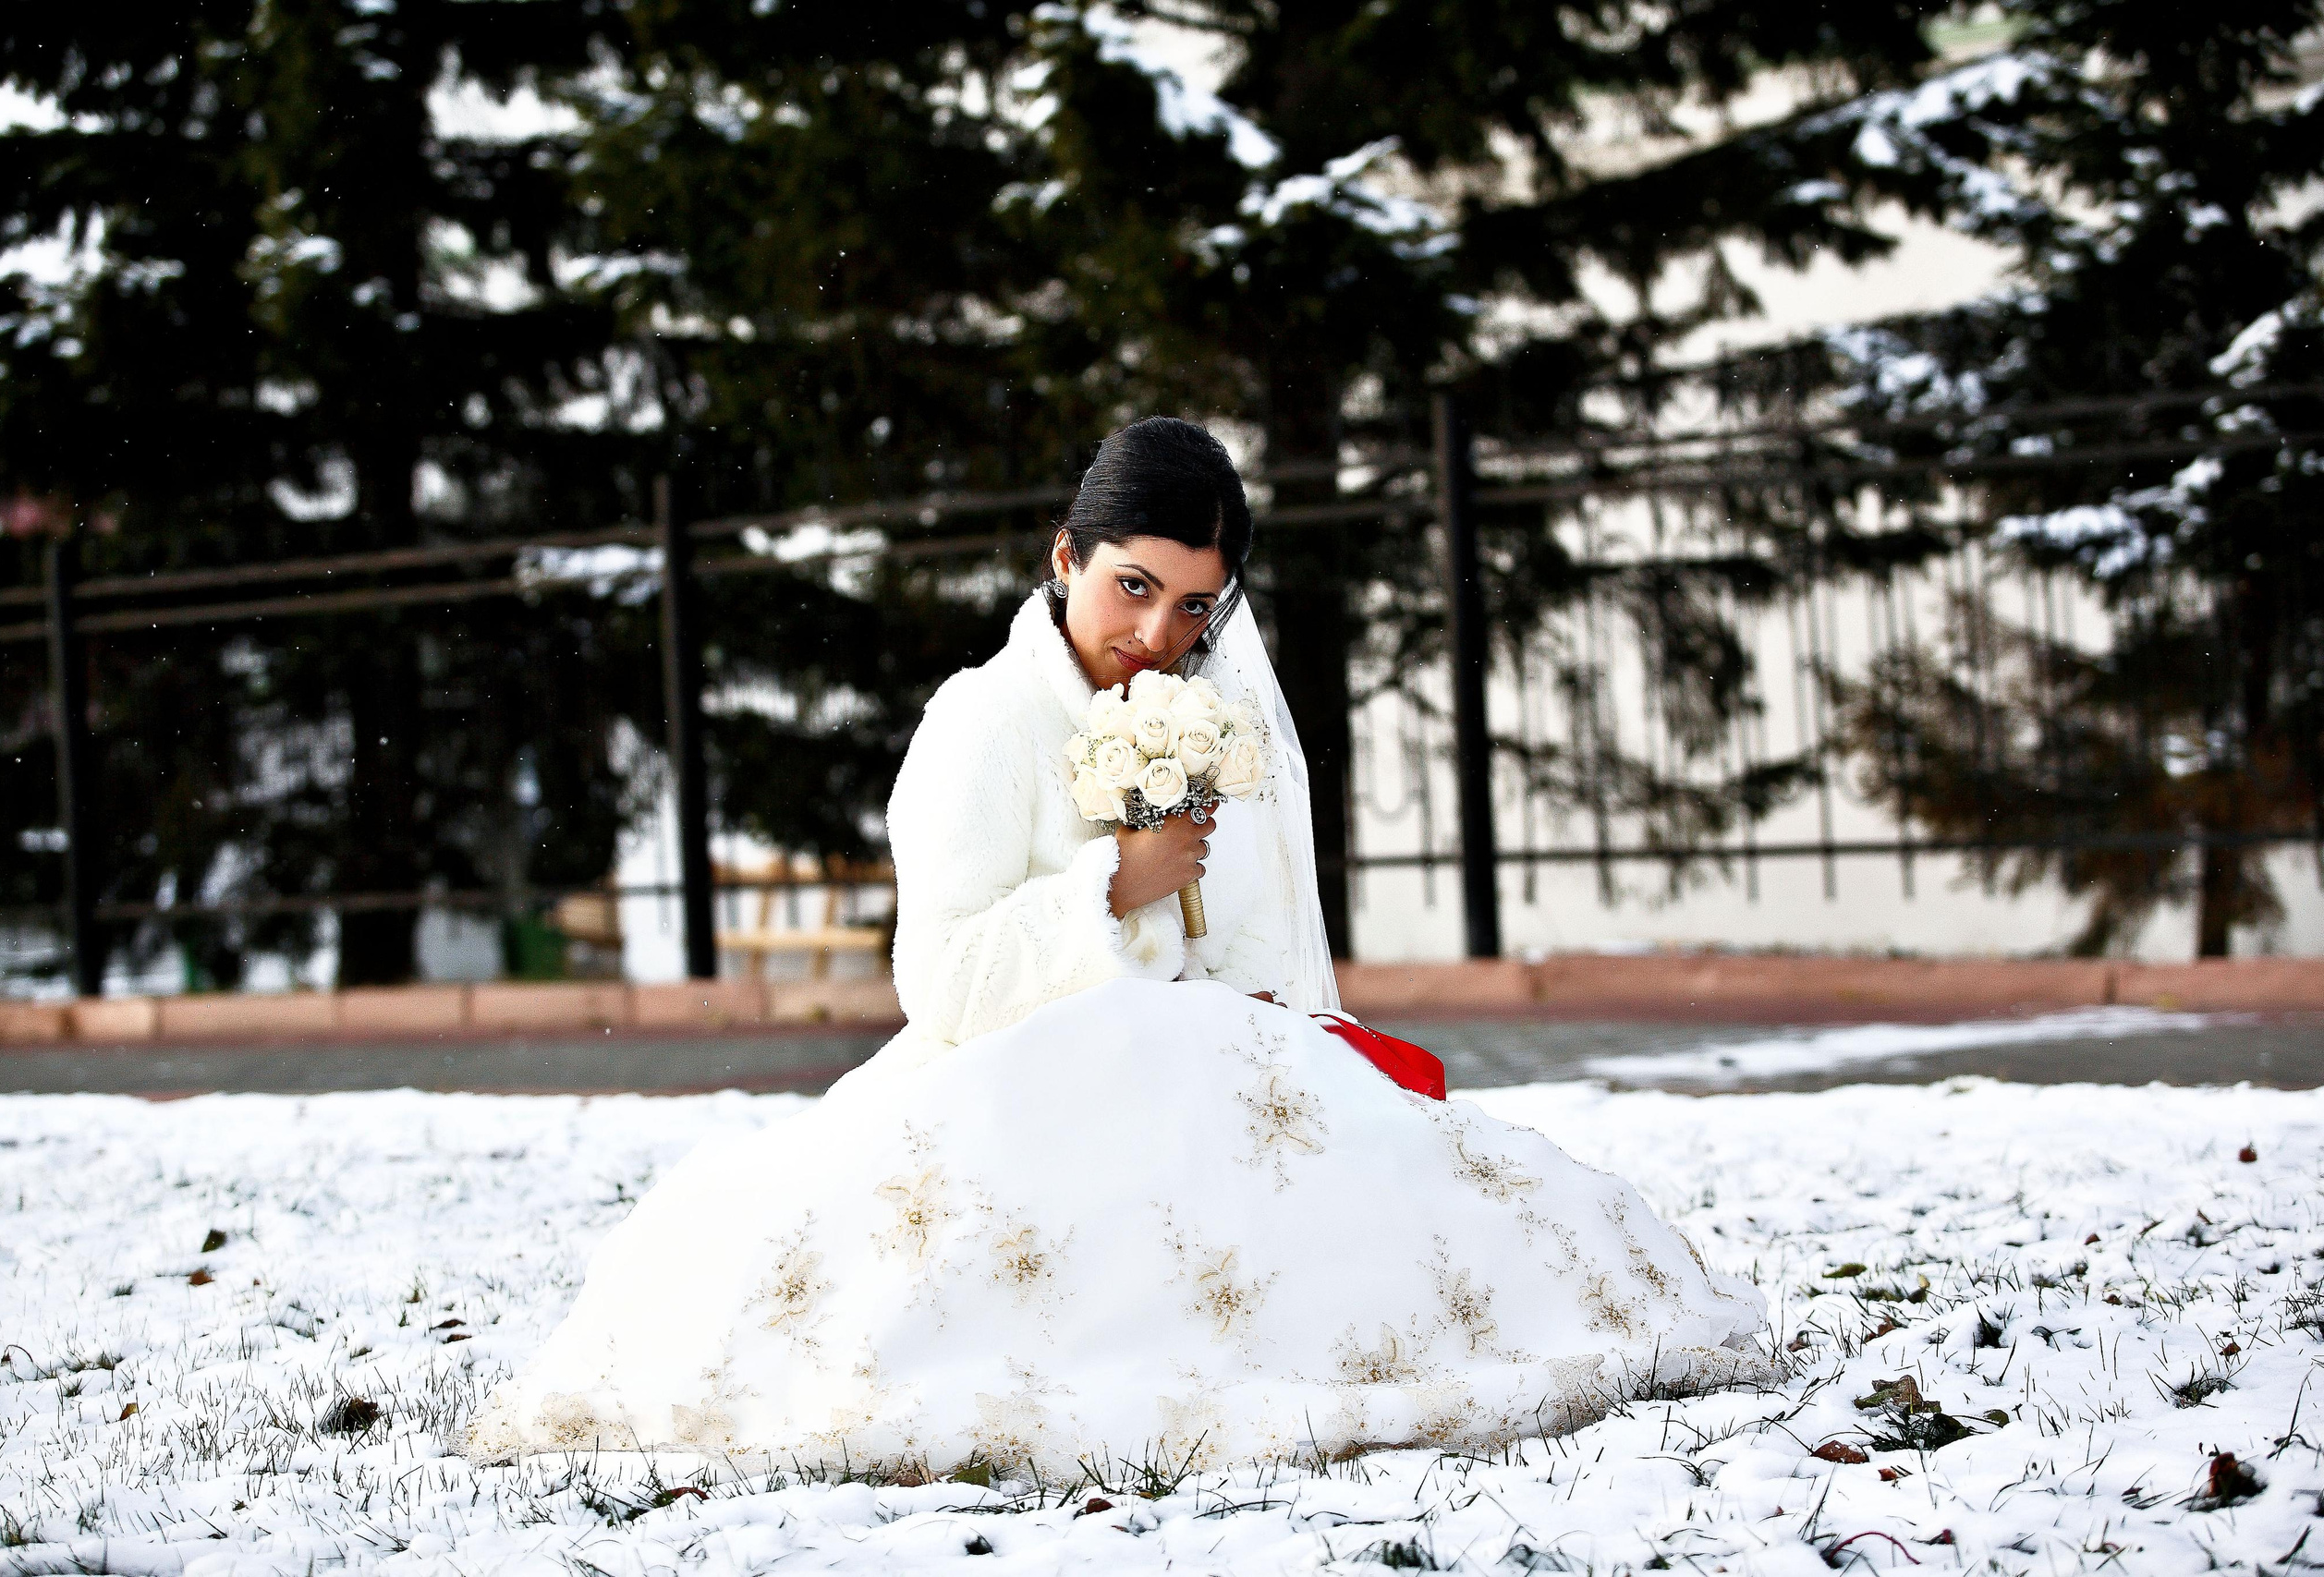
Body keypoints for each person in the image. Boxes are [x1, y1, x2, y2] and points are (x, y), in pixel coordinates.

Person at [466, 418, 1769, 1478]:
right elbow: (943, 980)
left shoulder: (1207, 714)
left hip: (1205, 1067)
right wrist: (1115, 885)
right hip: (1030, 1088)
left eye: (1194, 606)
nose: (1157, 635)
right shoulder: (984, 723)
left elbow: (1254, 936)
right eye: (1131, 587)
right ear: (1064, 557)